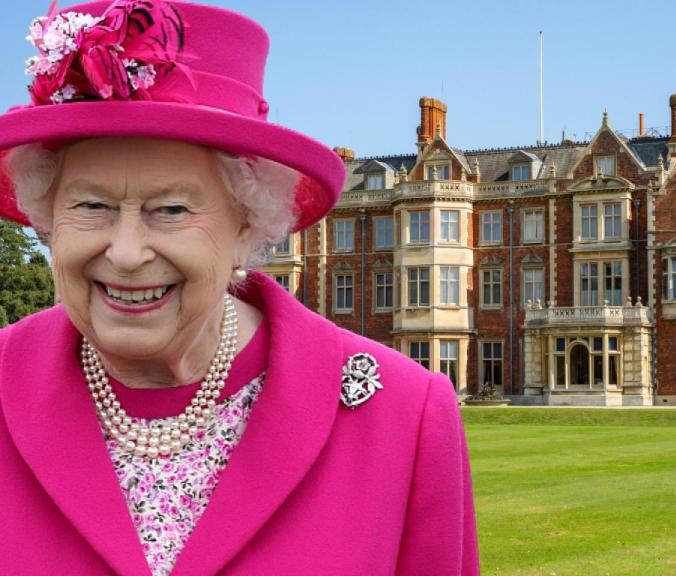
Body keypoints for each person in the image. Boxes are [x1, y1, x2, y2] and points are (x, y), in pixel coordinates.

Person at [0, 1, 479, 574]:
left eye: (171, 209)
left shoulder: (404, 413)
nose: (126, 253)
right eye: (92, 206)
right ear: (48, 217)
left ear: (247, 224)